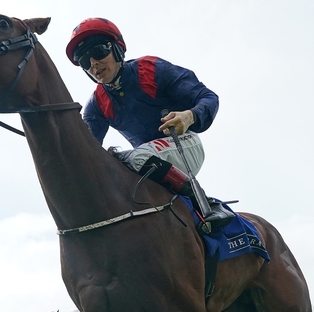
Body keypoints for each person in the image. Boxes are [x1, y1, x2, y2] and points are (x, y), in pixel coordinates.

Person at [66, 18, 234, 232]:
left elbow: (209, 97)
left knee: (132, 157)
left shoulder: (151, 69)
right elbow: (86, 151)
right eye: (83, 60)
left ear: (117, 49)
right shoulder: (96, 104)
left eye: (98, 52)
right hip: (148, 164)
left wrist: (189, 116)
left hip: (185, 145)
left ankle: (207, 203)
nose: (93, 64)